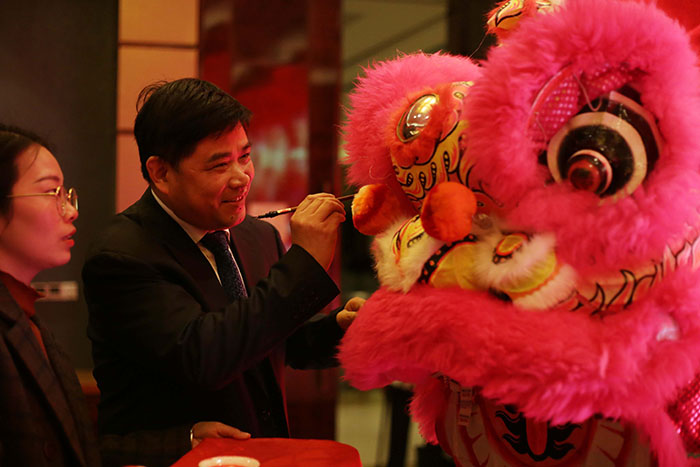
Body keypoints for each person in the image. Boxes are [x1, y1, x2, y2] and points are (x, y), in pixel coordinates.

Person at [82, 78, 362, 466]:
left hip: (259, 453)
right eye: (219, 165)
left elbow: (270, 339)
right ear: (160, 173)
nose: (241, 177)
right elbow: (207, 355)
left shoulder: (256, 235)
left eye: (245, 156)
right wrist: (305, 263)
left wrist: (340, 328)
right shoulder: (123, 254)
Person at [0, 124, 251, 467]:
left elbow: (74, 450)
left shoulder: (27, 317)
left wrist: (184, 441)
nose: (71, 210)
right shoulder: (126, 253)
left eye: (66, 193)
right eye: (50, 192)